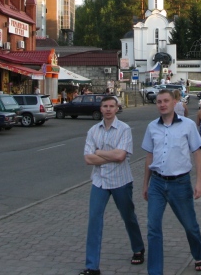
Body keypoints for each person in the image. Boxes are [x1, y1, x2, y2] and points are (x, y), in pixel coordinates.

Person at [142, 89, 201, 273]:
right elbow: (149, 156)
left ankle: (199, 254)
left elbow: (197, 152)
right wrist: (145, 184)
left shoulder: (187, 125)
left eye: (165, 101)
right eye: (159, 101)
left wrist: (199, 182)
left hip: (180, 184)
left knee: (190, 226)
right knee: (153, 228)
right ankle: (155, 271)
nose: (162, 104)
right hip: (157, 183)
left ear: (174, 103)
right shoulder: (152, 127)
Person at [80, 95, 145, 275]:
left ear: (117, 109)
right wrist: (109, 154)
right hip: (99, 182)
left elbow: (120, 157)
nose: (108, 109)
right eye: (105, 106)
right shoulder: (93, 130)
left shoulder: (124, 129)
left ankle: (138, 248)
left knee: (128, 216)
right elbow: (87, 158)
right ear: (100, 109)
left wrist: (99, 153)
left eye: (111, 106)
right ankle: (92, 267)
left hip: (120, 181)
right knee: (94, 220)